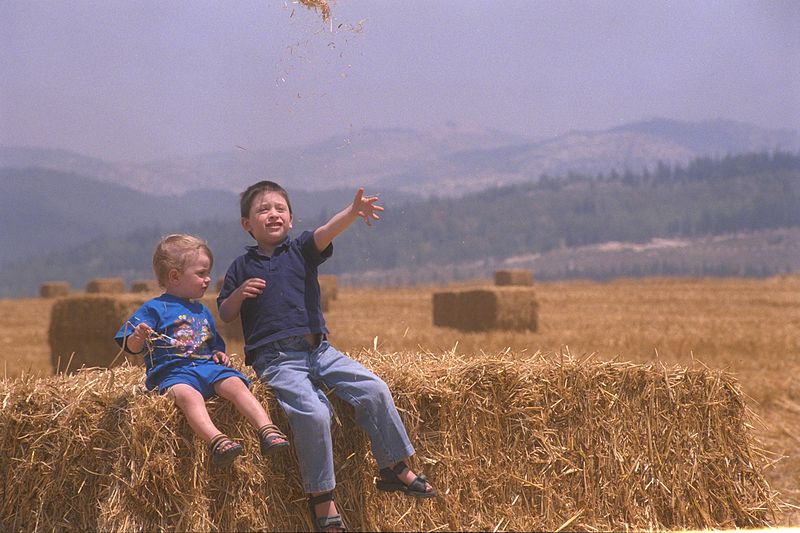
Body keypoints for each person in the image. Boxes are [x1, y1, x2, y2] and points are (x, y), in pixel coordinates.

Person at [217, 181, 438, 532]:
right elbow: (226, 313)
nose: (272, 213)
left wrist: (351, 213)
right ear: (247, 224)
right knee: (315, 413)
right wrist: (240, 294)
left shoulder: (301, 250)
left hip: (320, 351)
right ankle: (322, 497)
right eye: (262, 209)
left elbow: (325, 232)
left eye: (279, 208)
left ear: (290, 219)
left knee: (375, 388)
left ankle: (393, 465)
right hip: (276, 360)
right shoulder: (241, 267)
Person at [114, 233, 290, 469]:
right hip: (174, 373)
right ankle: (216, 439)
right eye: (201, 274)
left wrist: (220, 354)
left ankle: (267, 429)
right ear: (175, 276)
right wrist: (138, 337)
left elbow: (214, 345)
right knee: (189, 396)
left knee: (237, 384)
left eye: (207, 273)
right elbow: (129, 345)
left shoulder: (203, 310)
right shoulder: (155, 308)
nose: (207, 279)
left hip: (208, 368)